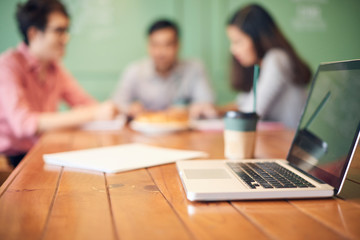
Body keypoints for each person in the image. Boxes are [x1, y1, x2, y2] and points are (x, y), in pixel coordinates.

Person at [0, 0, 117, 167]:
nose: (66, 38)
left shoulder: (54, 68)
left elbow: (87, 103)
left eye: (66, 30)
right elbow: (23, 124)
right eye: (59, 31)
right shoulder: (8, 66)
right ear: (34, 34)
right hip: (11, 159)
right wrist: (92, 113)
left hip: (42, 149)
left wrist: (106, 109)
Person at [226, 4, 312, 128]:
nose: (233, 50)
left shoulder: (276, 59)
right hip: (279, 140)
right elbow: (242, 103)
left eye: (238, 42)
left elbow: (251, 112)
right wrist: (215, 110)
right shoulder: (259, 66)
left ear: (257, 38)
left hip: (289, 141)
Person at [112, 19, 216, 119]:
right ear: (148, 45)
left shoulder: (194, 68)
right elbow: (116, 104)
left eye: (168, 45)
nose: (161, 52)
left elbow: (207, 103)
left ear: (178, 45)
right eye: (155, 45)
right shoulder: (134, 70)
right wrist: (129, 109)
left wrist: (188, 109)